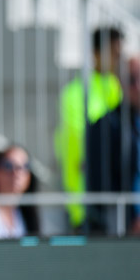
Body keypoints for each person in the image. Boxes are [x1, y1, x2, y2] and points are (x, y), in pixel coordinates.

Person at [54, 26, 123, 229]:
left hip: (112, 198)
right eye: (114, 53)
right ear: (96, 53)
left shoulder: (118, 87)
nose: (118, 59)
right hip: (86, 202)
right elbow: (79, 143)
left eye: (119, 53)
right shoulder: (75, 92)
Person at [87, 54, 140, 235]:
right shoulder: (106, 126)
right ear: (120, 83)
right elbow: (102, 183)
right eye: (131, 80)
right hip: (132, 228)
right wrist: (131, 220)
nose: (139, 86)